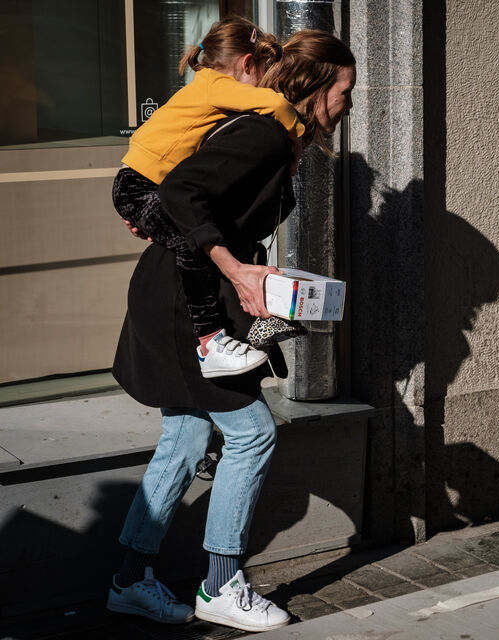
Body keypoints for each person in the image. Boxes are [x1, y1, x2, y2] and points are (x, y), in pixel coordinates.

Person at [106, 29, 357, 632]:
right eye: (345, 90)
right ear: (315, 85)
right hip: (184, 303)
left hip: (181, 292)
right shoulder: (263, 134)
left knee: (186, 436)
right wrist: (236, 269)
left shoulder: (275, 137)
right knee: (251, 434)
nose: (349, 103)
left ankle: (129, 580)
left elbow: (203, 205)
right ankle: (220, 586)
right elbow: (179, 192)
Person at [112, 15, 306, 379]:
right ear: (247, 63)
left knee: (195, 240)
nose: (262, 83)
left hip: (140, 184)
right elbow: (276, 106)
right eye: (262, 73)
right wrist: (295, 140)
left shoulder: (204, 87)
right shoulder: (216, 84)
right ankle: (209, 343)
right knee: (195, 245)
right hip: (140, 185)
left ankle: (240, 327)